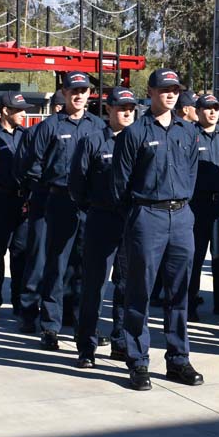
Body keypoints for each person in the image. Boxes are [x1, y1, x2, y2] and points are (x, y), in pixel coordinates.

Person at [111, 68, 203, 390]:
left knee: (179, 294)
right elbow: (120, 185)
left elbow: (191, 175)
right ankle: (138, 361)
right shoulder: (134, 133)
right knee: (140, 292)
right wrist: (138, 216)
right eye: (164, 88)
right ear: (150, 91)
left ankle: (178, 359)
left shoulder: (188, 132)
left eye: (175, 88)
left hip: (181, 217)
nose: (171, 93)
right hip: (146, 216)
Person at [14, 71, 104, 346]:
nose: (79, 95)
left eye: (84, 91)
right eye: (73, 90)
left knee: (82, 265)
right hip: (58, 200)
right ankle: (50, 325)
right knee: (55, 262)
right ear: (64, 93)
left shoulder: (98, 126)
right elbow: (33, 163)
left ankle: (78, 320)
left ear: (90, 94)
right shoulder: (50, 126)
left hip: (89, 205)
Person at [70, 87, 138, 367]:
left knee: (126, 286)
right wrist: (93, 209)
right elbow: (77, 184)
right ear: (108, 109)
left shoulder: (140, 140)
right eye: (121, 107)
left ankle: (121, 343)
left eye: (131, 108)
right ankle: (86, 346)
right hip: (100, 219)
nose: (127, 112)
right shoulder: (92, 141)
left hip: (131, 221)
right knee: (94, 286)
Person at [0, 92, 35, 320]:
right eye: (19, 110)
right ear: (5, 110)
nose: (24, 114)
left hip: (23, 201)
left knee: (21, 253)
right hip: (0, 200)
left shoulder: (27, 136)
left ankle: (19, 303)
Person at [189, 93, 219, 320]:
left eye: (216, 107)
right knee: (194, 256)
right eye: (208, 108)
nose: (213, 112)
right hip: (196, 205)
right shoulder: (189, 134)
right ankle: (189, 305)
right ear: (198, 111)